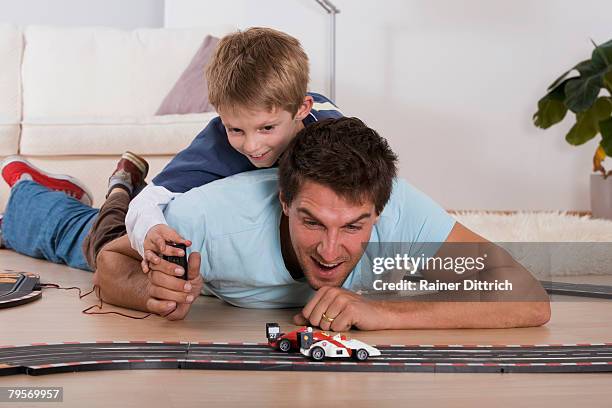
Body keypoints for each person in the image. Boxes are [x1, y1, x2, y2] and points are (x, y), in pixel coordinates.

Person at [93, 118, 551, 330]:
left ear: (379, 210)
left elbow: (528, 297)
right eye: (313, 222)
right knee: (84, 234)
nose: (331, 252)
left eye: (354, 226)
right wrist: (147, 292)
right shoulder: (209, 215)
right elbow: (111, 259)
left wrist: (383, 313)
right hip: (133, 222)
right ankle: (117, 188)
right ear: (285, 199)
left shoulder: (402, 209)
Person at [0, 27, 341, 273]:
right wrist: (149, 231)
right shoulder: (218, 144)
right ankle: (30, 202)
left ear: (302, 107)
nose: (252, 145)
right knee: (98, 244)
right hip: (183, 226)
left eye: (267, 128)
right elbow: (151, 203)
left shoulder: (335, 134)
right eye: (236, 128)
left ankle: (122, 182)